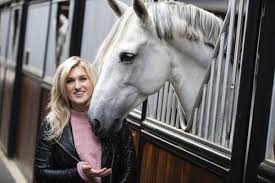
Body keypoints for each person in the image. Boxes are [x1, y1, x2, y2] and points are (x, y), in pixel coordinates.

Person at [34, 56, 137, 183]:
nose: (77, 86)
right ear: (62, 87)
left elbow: (130, 169)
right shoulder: (52, 123)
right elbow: (41, 173)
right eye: (70, 81)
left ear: (92, 82)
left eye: (83, 79)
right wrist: (78, 173)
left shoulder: (113, 119)